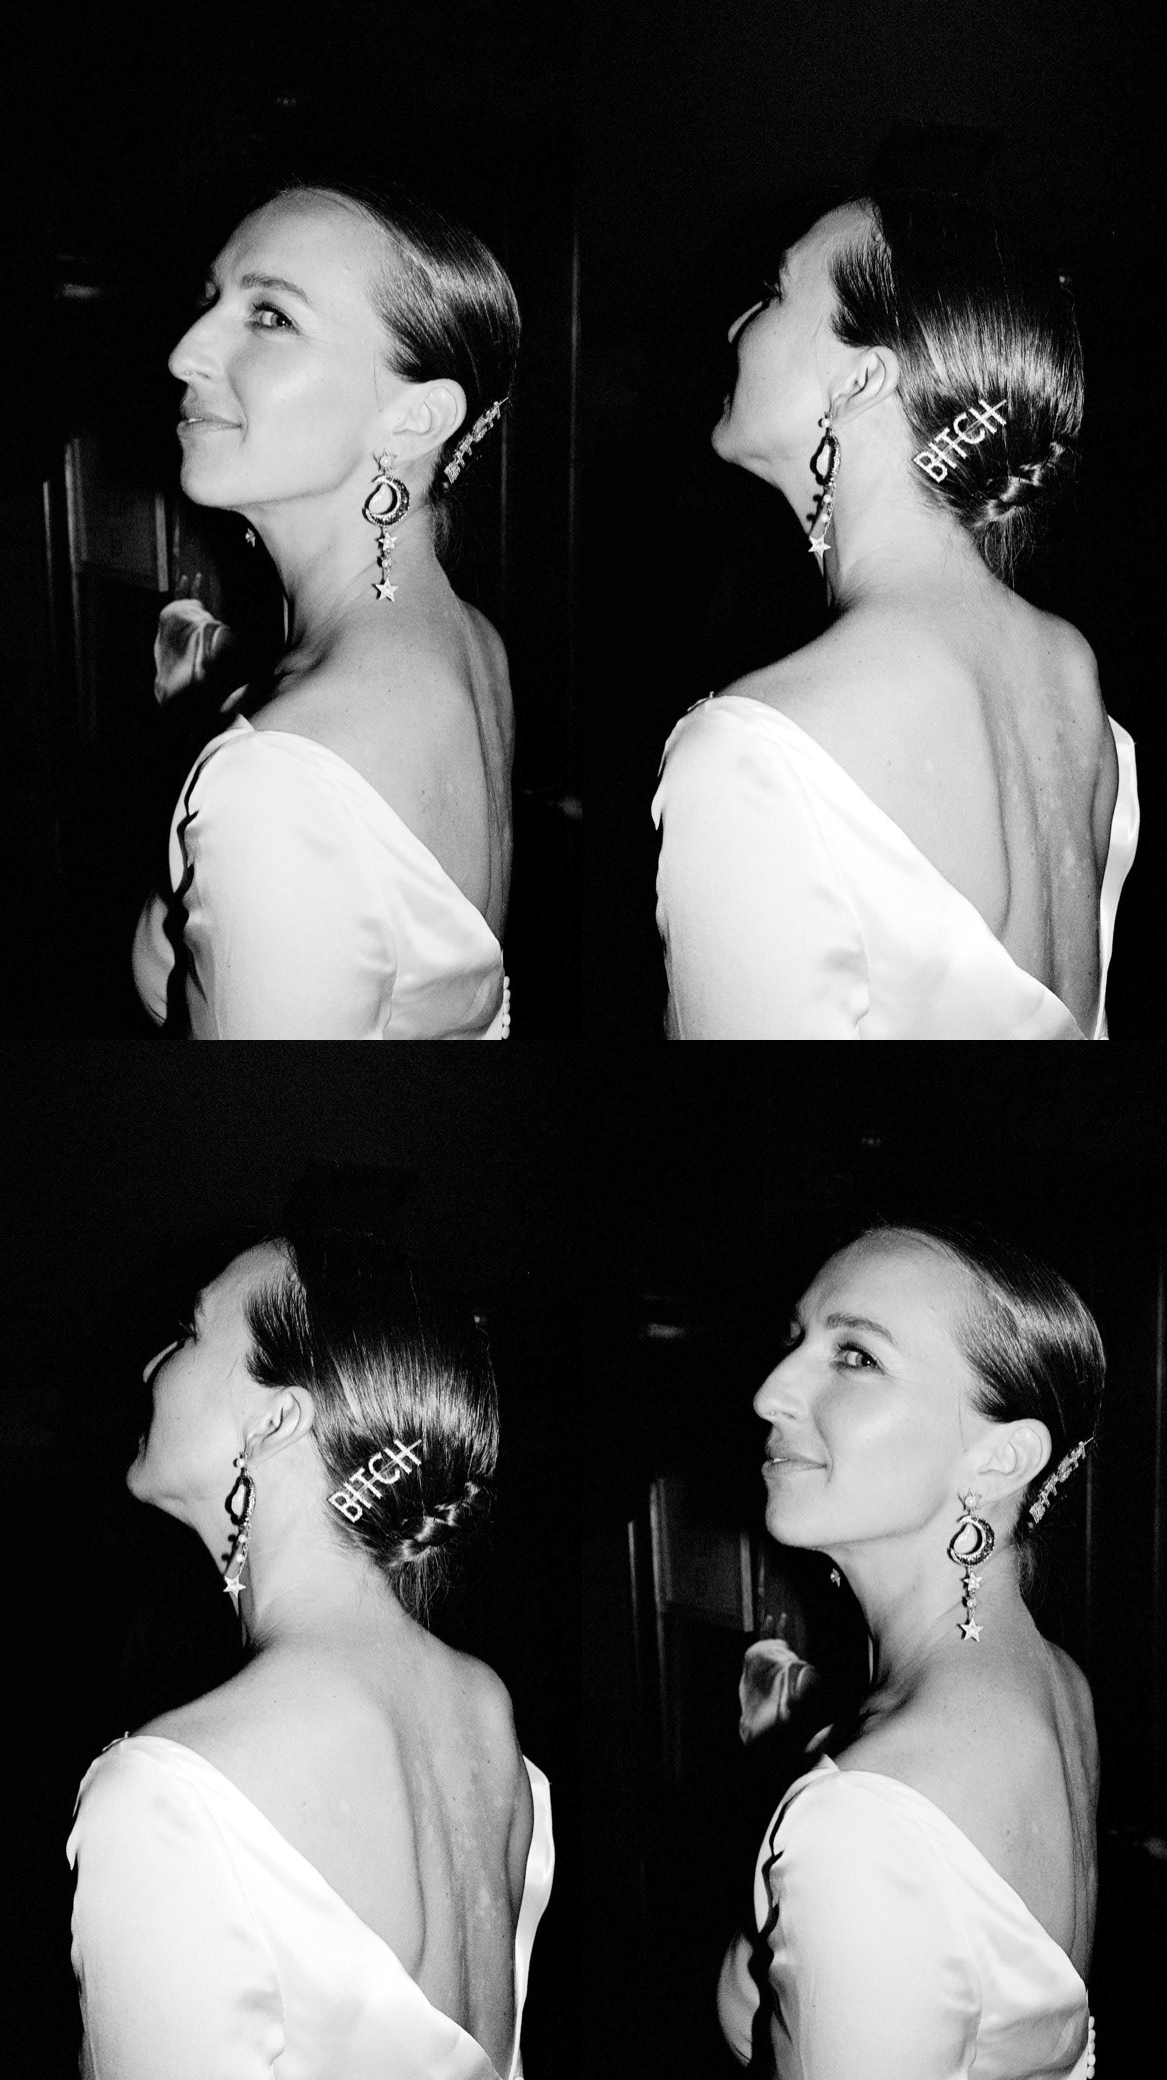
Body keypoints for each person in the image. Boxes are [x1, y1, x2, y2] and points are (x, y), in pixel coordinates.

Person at [68, 1217, 552, 2078]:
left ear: (276, 1419)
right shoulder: (484, 1709)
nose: (150, 1368)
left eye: (188, 1334)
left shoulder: (174, 1793)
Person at [653, 191, 1138, 1038]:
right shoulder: (1069, 669)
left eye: (773, 294)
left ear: (862, 379)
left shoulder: (761, 753)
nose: (735, 328)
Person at [132, 179, 519, 1037]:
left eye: (271, 316)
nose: (186, 353)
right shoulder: (470, 639)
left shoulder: (281, 778)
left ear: (414, 418)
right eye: (210, 301)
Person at [717, 1220, 1100, 2077]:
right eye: (795, 1340)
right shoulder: (1054, 1681)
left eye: (856, 1356)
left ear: (999, 1458)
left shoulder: (867, 1817)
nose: (771, 1393)